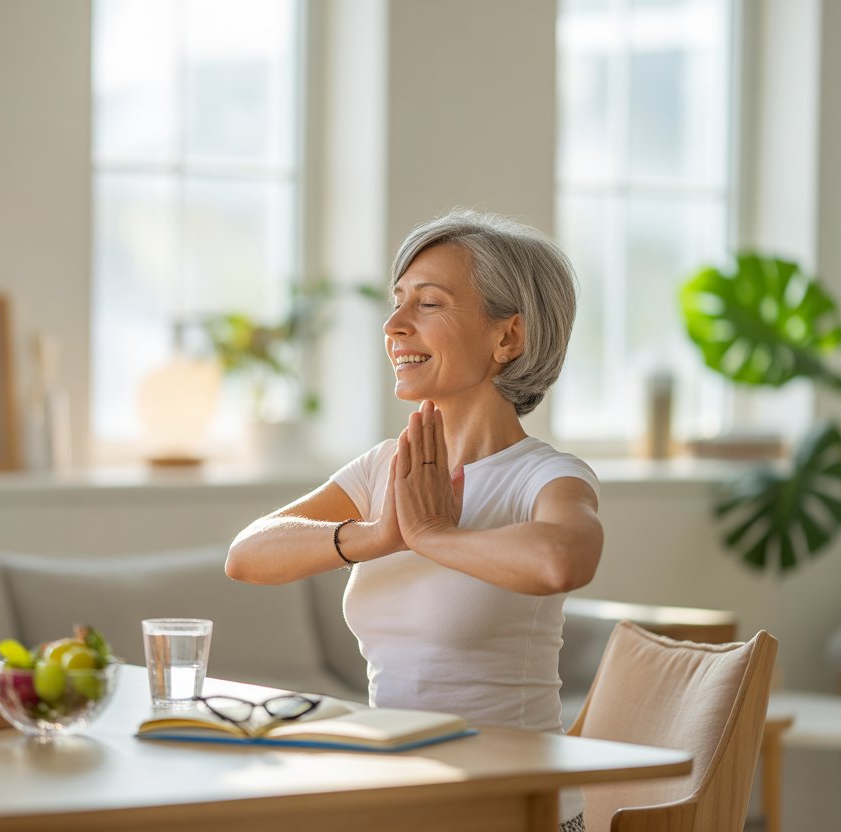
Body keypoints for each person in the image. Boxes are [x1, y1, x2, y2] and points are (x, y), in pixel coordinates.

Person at [224, 208, 602, 832]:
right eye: (398, 303)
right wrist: (376, 536)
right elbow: (247, 554)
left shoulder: (545, 476)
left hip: (515, 812)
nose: (394, 325)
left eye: (428, 304)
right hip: (406, 800)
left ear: (507, 338)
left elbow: (561, 560)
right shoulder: (388, 468)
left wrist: (435, 537)